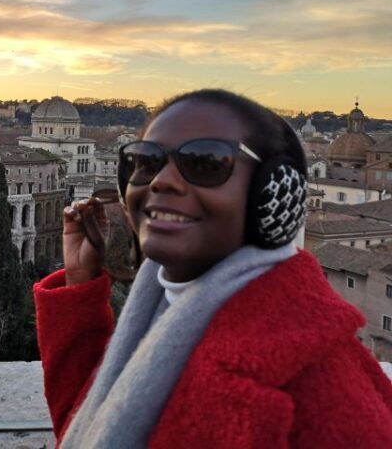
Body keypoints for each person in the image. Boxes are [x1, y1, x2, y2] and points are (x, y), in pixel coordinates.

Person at [34, 89, 392, 448]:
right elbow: (95, 426)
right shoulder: (162, 304)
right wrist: (80, 282)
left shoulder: (318, 387)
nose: (160, 181)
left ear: (271, 191)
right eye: (146, 161)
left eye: (205, 162)